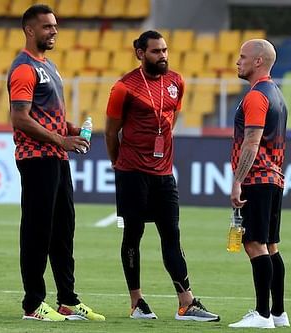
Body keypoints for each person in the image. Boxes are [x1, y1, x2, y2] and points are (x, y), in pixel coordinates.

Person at [104, 30, 219, 322]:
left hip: (164, 173)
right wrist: (120, 165)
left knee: (172, 234)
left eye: (165, 50)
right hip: (132, 172)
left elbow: (170, 122)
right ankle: (137, 302)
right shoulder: (124, 88)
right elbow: (110, 131)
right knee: (133, 235)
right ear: (140, 53)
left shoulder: (176, 81)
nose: (163, 56)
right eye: (156, 51)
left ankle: (186, 303)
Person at [8, 4, 105, 322]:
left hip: (56, 157)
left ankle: (67, 300)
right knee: (37, 231)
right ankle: (33, 304)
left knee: (63, 230)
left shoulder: (49, 66)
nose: (54, 31)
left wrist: (71, 129)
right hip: (36, 159)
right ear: (30, 30)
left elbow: (47, 116)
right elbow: (20, 118)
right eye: (47, 26)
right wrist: (61, 139)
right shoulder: (24, 68)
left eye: (55, 26)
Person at [228, 39, 290, 329]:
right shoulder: (276, 94)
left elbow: (252, 143)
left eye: (242, 57)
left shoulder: (255, 96)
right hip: (275, 176)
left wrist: (238, 181)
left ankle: (262, 314)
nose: (237, 62)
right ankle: (278, 313)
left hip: (258, 177)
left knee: (254, 244)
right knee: (271, 246)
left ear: (258, 62)